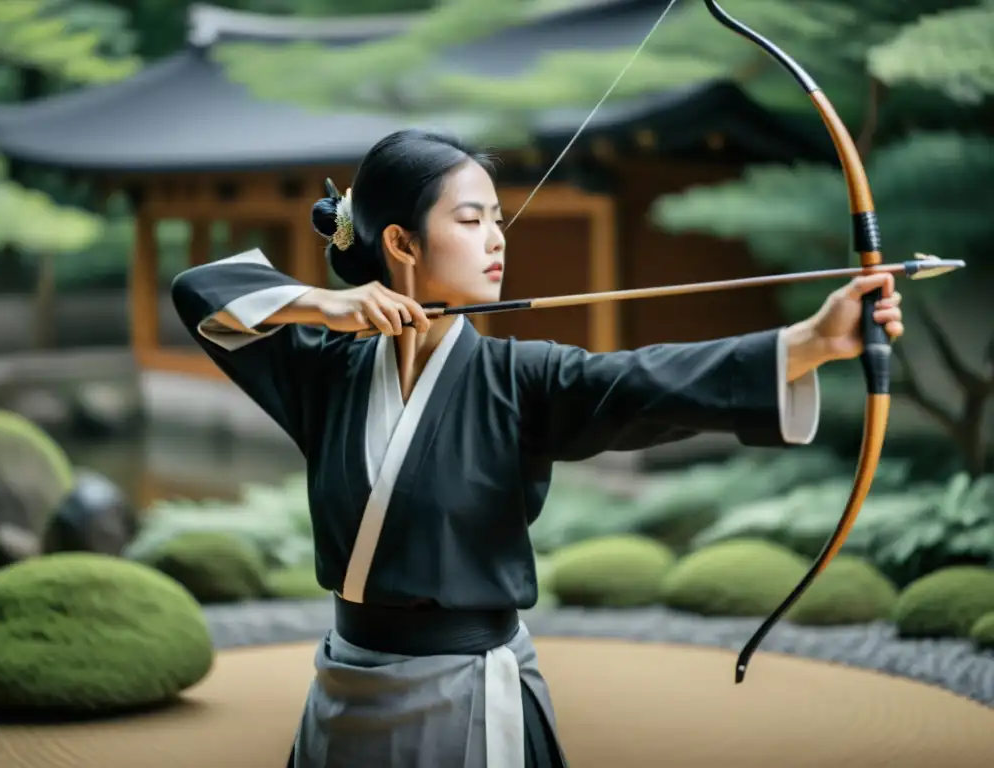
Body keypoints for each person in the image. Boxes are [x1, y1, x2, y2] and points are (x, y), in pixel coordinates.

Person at [170, 129, 905, 768]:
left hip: (465, 695)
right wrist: (322, 304)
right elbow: (200, 289)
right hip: (344, 684)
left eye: (498, 219)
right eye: (471, 219)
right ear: (399, 242)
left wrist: (813, 342)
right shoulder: (323, 369)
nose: (497, 238)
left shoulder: (524, 378)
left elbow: (645, 384)